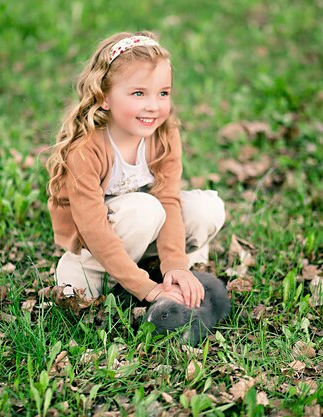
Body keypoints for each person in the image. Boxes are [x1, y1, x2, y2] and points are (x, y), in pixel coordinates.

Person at [46, 31, 225, 308]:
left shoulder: (164, 134)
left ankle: (160, 265)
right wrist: (146, 289)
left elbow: (168, 199)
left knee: (207, 209)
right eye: (139, 93)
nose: (153, 106)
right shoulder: (85, 149)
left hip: (147, 231)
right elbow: (92, 227)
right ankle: (110, 273)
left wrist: (176, 265)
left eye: (163, 93)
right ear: (104, 97)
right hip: (98, 245)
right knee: (146, 209)